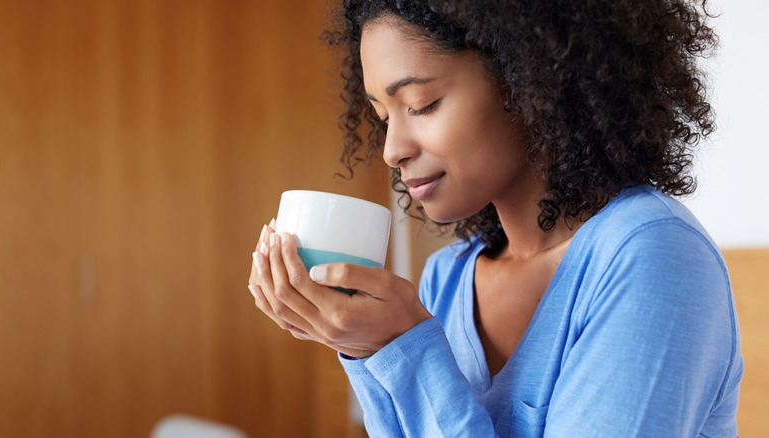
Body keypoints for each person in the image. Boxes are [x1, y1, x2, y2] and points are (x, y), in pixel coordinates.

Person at [248, 0, 744, 435]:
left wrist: (404, 347)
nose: (391, 151)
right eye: (382, 117)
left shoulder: (651, 255)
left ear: (530, 78)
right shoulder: (449, 275)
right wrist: (367, 349)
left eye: (422, 104)